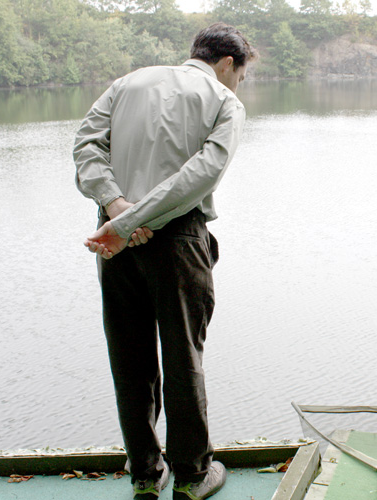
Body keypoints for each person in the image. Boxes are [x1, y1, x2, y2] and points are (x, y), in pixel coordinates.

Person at [73, 23, 257, 500]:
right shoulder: (223, 101)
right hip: (176, 237)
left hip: (113, 240)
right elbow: (201, 174)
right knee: (183, 359)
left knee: (128, 357)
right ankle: (194, 476)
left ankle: (144, 474)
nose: (238, 84)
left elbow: (86, 146)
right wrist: (134, 218)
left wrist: (117, 210)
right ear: (227, 64)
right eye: (240, 75)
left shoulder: (128, 83)